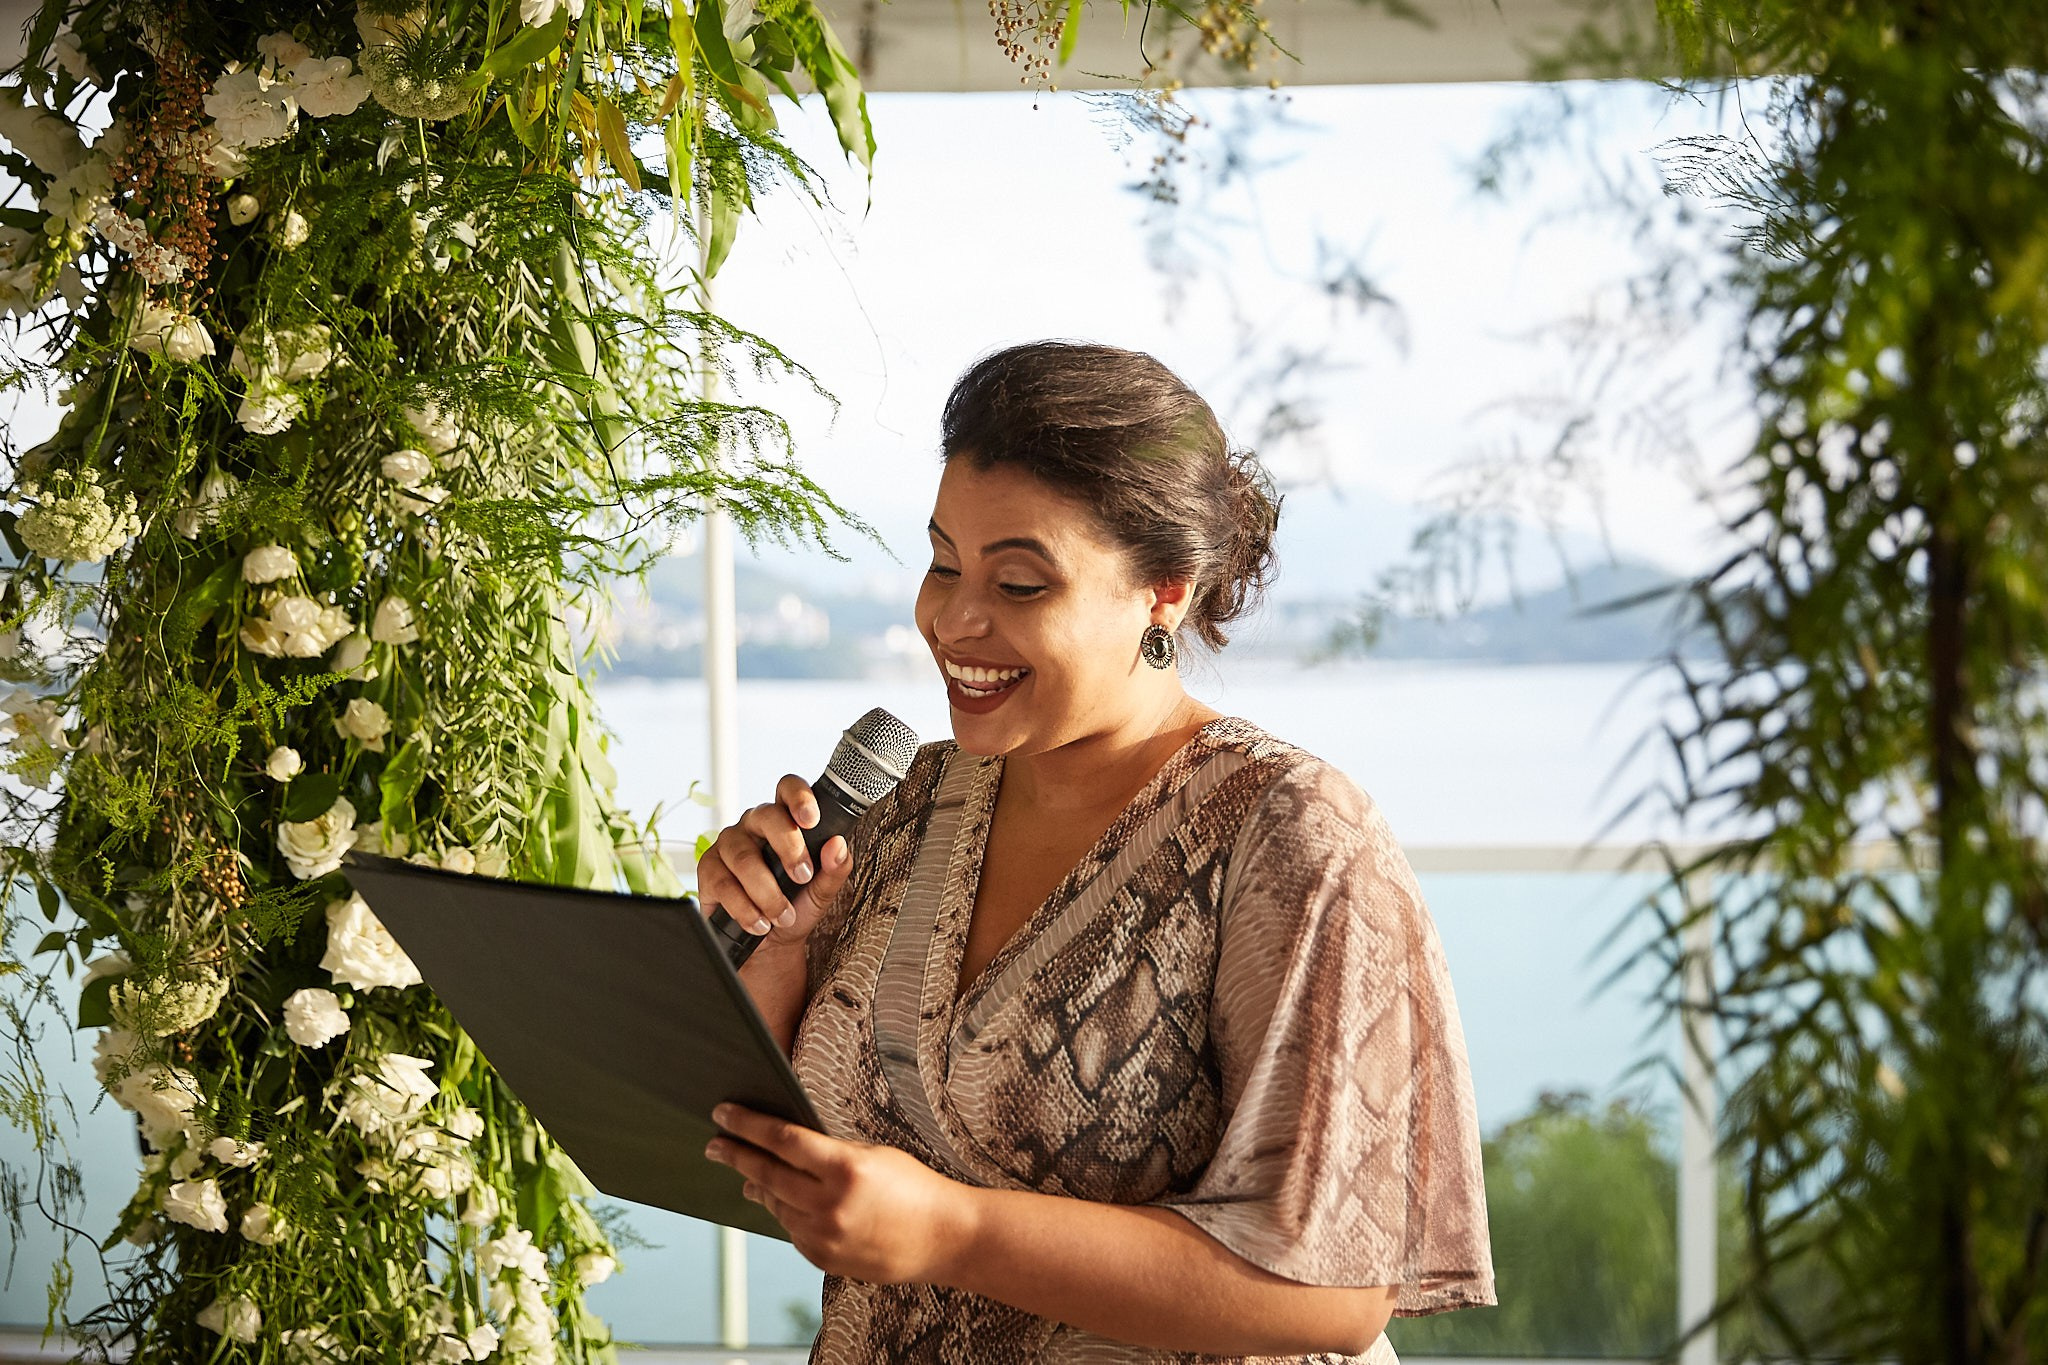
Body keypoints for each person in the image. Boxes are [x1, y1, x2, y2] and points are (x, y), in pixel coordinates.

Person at [696, 341, 1495, 1363]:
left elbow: (1333, 1293)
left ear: (1162, 592)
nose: (952, 618)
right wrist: (770, 954)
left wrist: (957, 1232)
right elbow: (801, 1162)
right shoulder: (902, 805)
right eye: (943, 561)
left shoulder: (1285, 834)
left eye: (1020, 583)